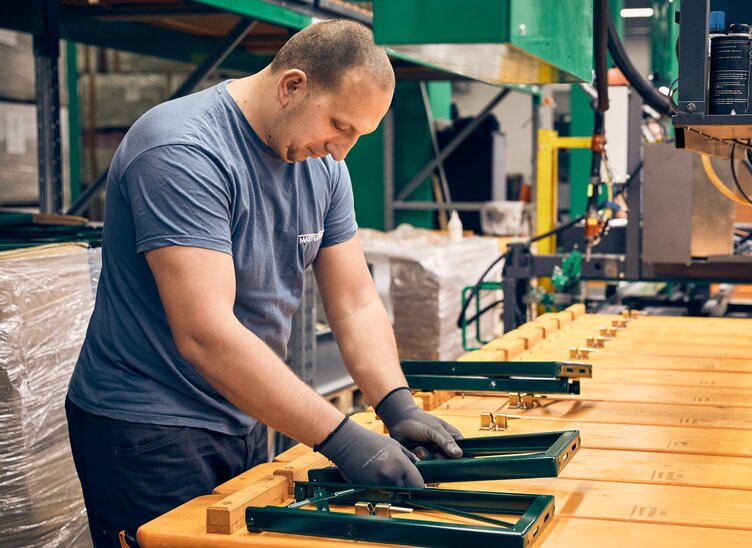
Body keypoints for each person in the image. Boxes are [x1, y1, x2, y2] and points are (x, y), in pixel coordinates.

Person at [65, 19, 463, 547]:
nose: (342, 151)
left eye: (357, 137)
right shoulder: (183, 150)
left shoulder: (323, 165)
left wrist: (396, 405)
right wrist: (344, 440)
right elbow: (206, 334)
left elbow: (355, 302)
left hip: (241, 409)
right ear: (292, 85)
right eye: (339, 126)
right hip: (148, 427)